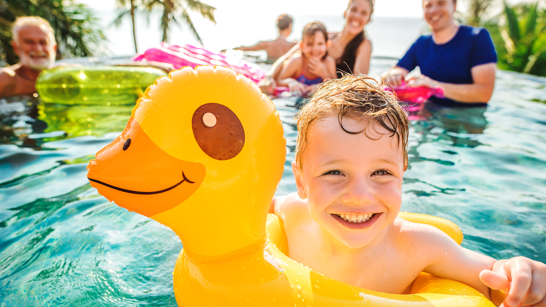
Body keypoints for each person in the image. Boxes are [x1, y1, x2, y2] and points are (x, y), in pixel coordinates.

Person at [269, 75, 546, 306]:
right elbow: (255, 206)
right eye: (334, 172)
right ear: (302, 181)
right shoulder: (292, 213)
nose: (358, 195)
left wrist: (521, 274)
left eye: (381, 173)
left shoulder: (418, 246)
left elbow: (492, 276)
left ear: (402, 174)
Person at [383, 0, 497, 106]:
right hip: (429, 116)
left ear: (454, 6)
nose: (433, 10)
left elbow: (484, 93)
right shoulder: (421, 43)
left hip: (468, 119)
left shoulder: (477, 37)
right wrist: (394, 74)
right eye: (428, 5)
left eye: (441, 3)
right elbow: (393, 72)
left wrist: (434, 86)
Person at [259, 0, 373, 94]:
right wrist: (269, 76)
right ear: (345, 12)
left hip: (332, 93)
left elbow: (358, 86)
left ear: (368, 19)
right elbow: (287, 56)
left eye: (363, 13)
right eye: (354, 10)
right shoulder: (326, 37)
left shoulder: (364, 44)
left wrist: (322, 84)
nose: (357, 16)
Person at [0, 17, 56, 98]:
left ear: (54, 47)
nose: (38, 49)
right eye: (29, 42)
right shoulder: (4, 80)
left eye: (43, 42)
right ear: (16, 48)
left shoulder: (67, 78)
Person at [275, 22, 336, 96]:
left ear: (327, 44)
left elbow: (335, 86)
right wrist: (291, 82)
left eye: (320, 44)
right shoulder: (297, 61)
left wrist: (323, 74)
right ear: (301, 46)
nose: (315, 49)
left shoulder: (328, 62)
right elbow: (278, 80)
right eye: (310, 44)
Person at [231, 14, 297, 63]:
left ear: (277, 26)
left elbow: (245, 48)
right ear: (290, 26)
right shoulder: (294, 45)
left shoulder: (267, 44)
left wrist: (227, 50)